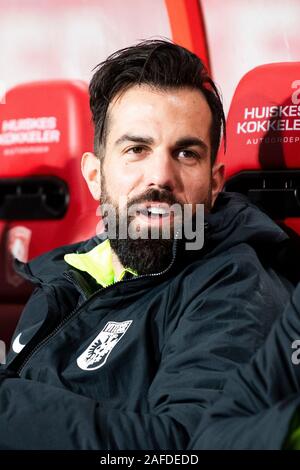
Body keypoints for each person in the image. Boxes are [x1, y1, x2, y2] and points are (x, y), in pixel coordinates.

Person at [0, 39, 297, 450]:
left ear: (215, 183)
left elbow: (183, 447)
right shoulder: (65, 276)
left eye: (186, 153)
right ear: (94, 175)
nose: (160, 176)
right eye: (137, 149)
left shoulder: (236, 290)